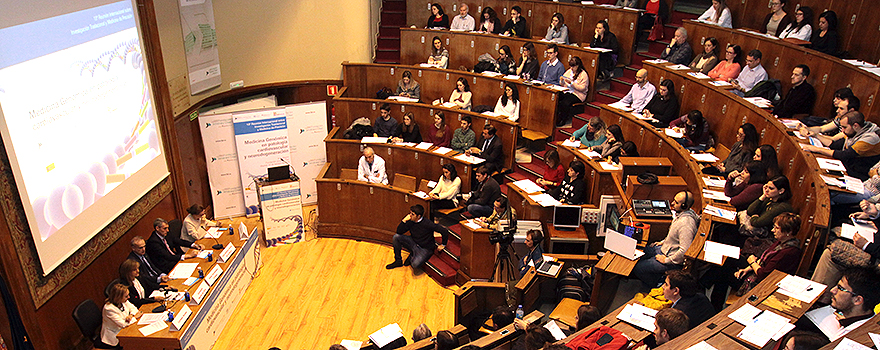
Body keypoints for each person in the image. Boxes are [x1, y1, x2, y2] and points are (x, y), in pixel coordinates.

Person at [632, 191, 698, 287]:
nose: (672, 203)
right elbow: (674, 235)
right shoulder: (683, 214)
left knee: (639, 268)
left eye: (676, 202)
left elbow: (685, 251)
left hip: (672, 259)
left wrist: (666, 260)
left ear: (684, 206)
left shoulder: (686, 224)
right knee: (639, 251)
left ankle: (656, 284)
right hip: (664, 248)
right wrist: (663, 242)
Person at [797, 268, 880, 342]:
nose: (833, 290)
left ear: (857, 300)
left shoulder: (859, 338)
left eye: (840, 288)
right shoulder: (843, 311)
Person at [811, 200, 880, 288]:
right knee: (836, 231)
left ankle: (818, 297)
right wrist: (874, 215)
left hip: (876, 258)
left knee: (833, 252)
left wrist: (866, 246)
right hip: (874, 240)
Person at [733, 212, 802, 293]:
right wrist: (746, 269)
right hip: (757, 272)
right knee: (729, 260)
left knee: (722, 272)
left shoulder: (789, 252)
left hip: (763, 284)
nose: (773, 230)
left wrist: (752, 263)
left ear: (788, 232)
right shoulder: (781, 242)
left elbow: (763, 275)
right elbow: (763, 259)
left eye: (777, 228)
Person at [802, 111, 880, 180]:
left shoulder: (870, 138)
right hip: (849, 166)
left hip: (859, 173)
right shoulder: (855, 131)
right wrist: (816, 135)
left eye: (844, 127)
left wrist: (817, 149)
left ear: (855, 126)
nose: (842, 130)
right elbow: (835, 145)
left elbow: (844, 154)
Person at [386, 204, 448, 270]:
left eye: (412, 214)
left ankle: (412, 255)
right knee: (396, 237)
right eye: (410, 213)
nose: (410, 215)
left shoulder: (428, 224)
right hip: (414, 242)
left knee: (415, 264)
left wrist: (443, 244)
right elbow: (399, 232)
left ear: (418, 216)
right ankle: (398, 261)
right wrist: (403, 221)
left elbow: (444, 231)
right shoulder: (410, 221)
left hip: (425, 248)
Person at [101, 283, 140, 348]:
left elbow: (134, 309)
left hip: (127, 328)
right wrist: (135, 317)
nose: (129, 297)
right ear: (118, 297)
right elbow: (123, 324)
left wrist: (131, 315)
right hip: (115, 335)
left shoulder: (124, 301)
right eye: (126, 296)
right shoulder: (109, 309)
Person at [556, 56, 590, 127]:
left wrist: (572, 84)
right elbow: (562, 83)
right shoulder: (569, 71)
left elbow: (583, 88)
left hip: (578, 94)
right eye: (571, 66)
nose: (571, 68)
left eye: (573, 66)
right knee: (557, 97)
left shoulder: (583, 74)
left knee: (566, 102)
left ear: (578, 66)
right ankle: (556, 117)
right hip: (567, 91)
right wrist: (562, 80)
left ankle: (563, 119)